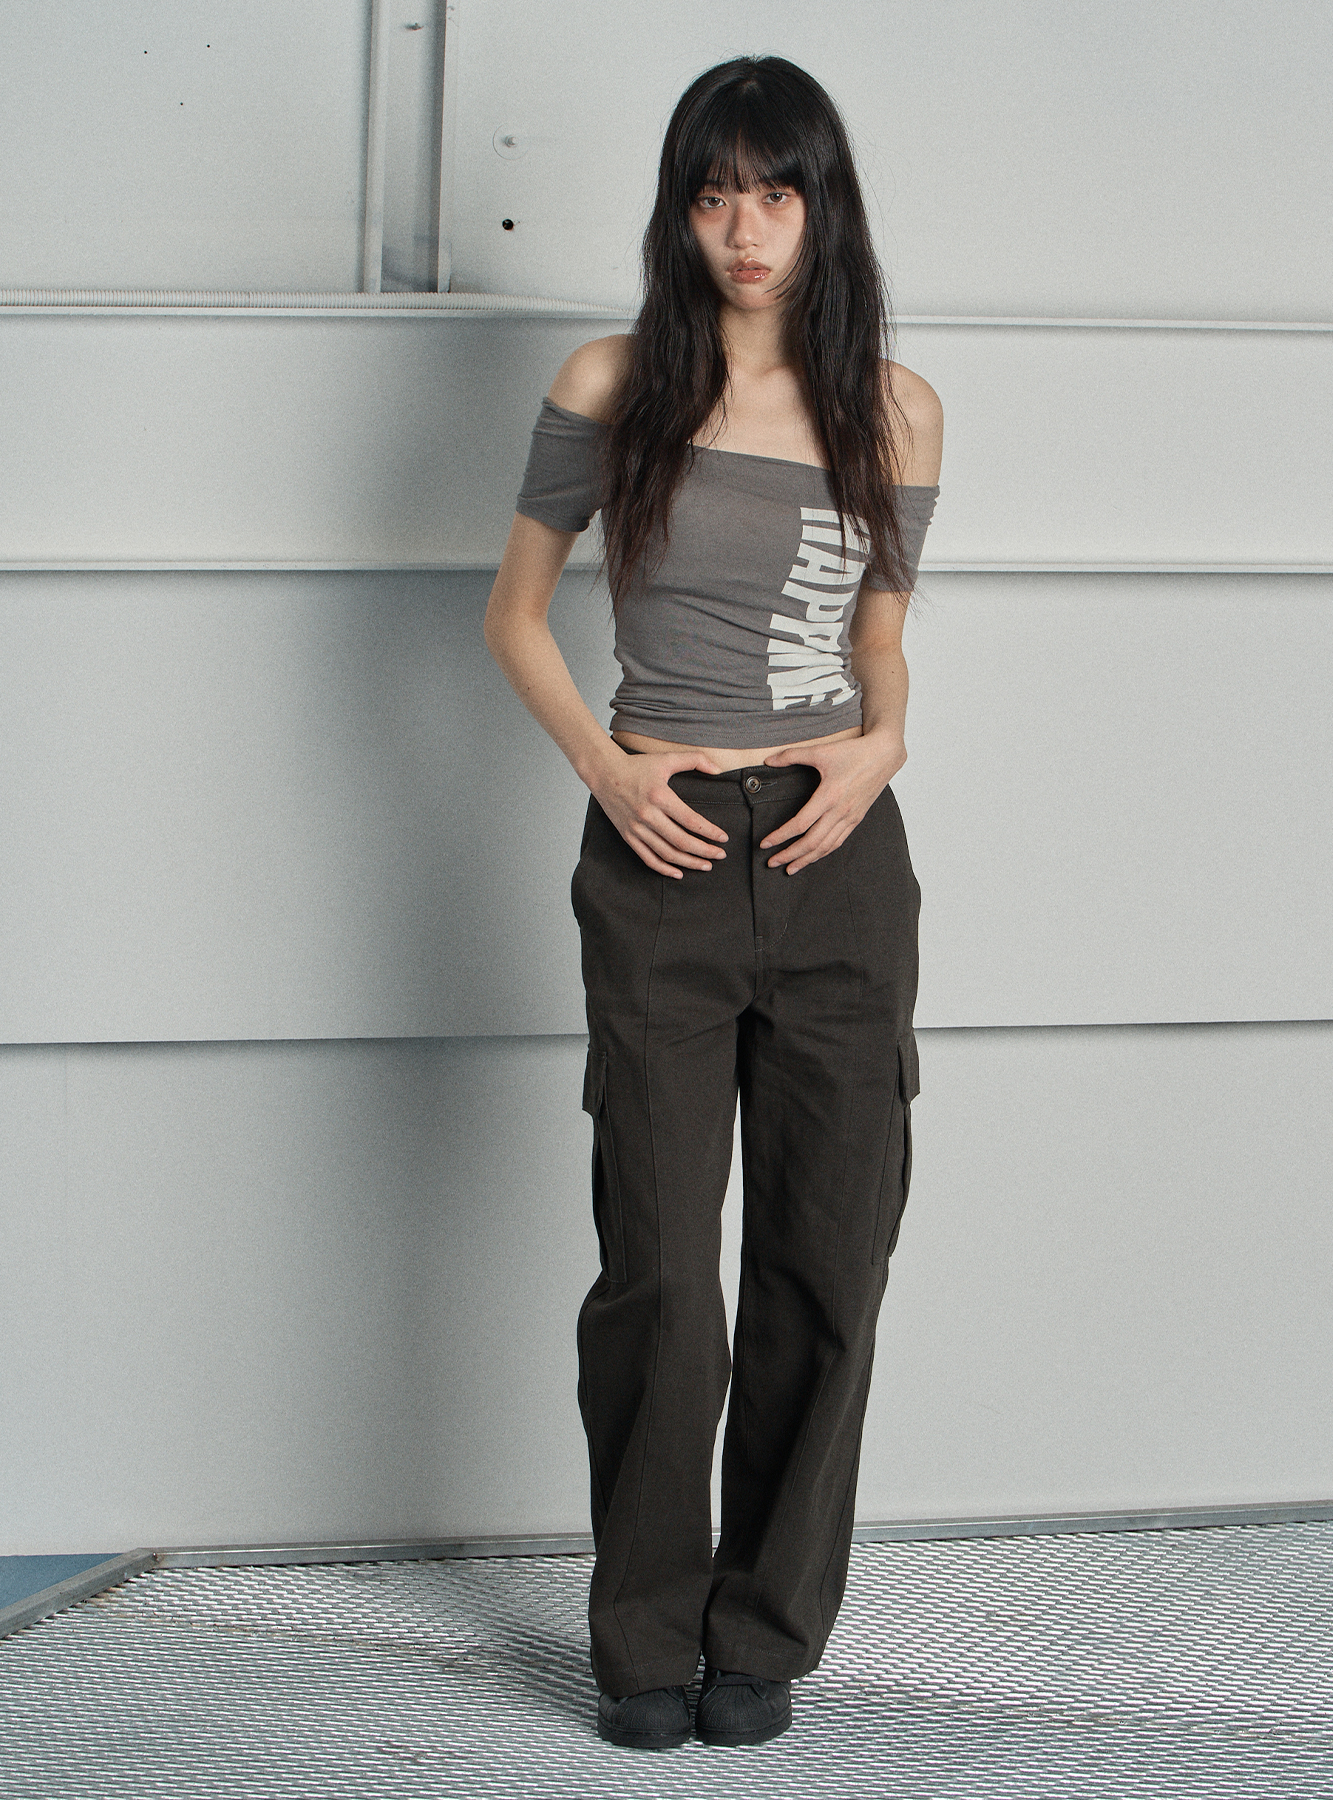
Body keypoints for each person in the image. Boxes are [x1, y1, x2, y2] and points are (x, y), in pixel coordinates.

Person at [484, 54, 942, 1751]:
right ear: (680, 213)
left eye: (776, 191)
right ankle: (643, 1639)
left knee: (827, 1261)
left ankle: (765, 1633)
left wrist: (885, 742)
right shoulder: (614, 385)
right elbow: (514, 615)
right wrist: (609, 774)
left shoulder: (895, 410)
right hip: (659, 854)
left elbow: (878, 630)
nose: (745, 228)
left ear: (825, 207)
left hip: (837, 862)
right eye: (713, 192)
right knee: (663, 1274)